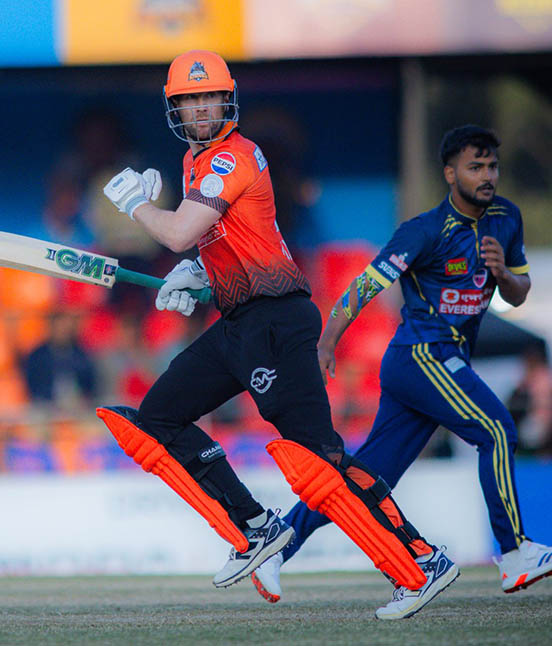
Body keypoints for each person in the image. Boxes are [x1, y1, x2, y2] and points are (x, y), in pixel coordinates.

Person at [98, 50, 456, 620]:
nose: (199, 108)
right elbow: (231, 238)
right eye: (189, 99)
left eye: (208, 97)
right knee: (160, 416)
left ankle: (421, 559)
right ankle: (256, 526)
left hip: (276, 324)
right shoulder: (195, 160)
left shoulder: (230, 158)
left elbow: (180, 231)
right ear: (175, 108)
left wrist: (138, 206)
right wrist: (200, 275)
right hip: (239, 323)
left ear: (227, 100)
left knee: (320, 462)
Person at [251, 125, 552, 604]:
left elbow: (518, 293)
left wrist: (501, 273)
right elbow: (365, 285)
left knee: (366, 481)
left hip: (438, 364)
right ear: (450, 173)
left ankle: (276, 549)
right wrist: (327, 341)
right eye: (475, 167)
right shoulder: (423, 231)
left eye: (492, 166)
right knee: (496, 430)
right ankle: (515, 554)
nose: (487, 176)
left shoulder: (506, 220)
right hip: (422, 356)